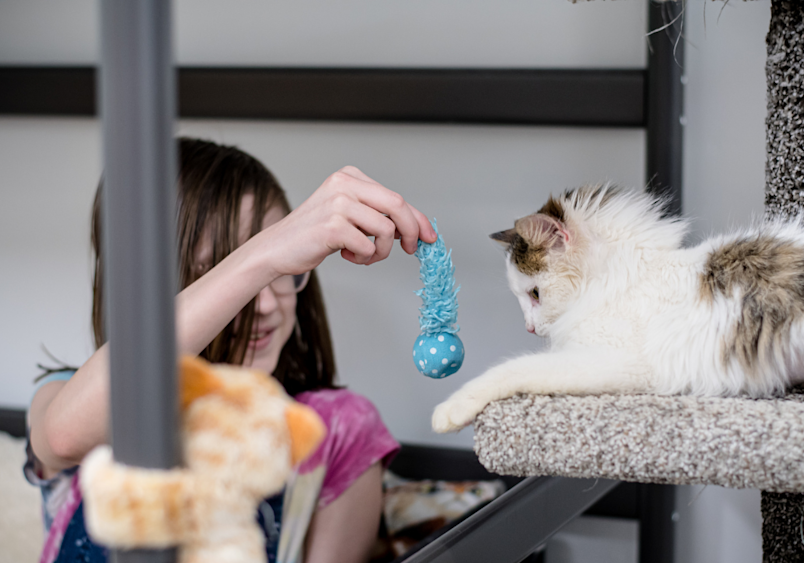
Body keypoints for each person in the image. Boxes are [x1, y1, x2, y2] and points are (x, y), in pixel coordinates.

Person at [26, 137, 438, 563]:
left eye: (286, 271)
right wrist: (263, 254)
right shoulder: (73, 396)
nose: (264, 305)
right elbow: (64, 437)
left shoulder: (335, 429)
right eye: (221, 271)